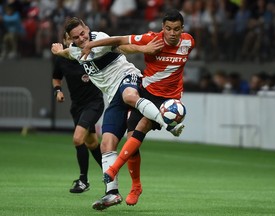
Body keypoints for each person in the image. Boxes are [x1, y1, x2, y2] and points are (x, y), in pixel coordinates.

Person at [51, 17, 183, 211]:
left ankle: (169, 123)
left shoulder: (100, 39)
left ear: (87, 29)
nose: (82, 38)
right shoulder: (75, 50)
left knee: (130, 96)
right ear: (70, 39)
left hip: (128, 78)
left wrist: (144, 49)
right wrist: (58, 51)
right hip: (113, 96)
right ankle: (112, 193)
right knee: (106, 144)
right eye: (76, 37)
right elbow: (68, 53)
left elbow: (122, 46)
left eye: (83, 33)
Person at [81, 9, 195, 208]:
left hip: (168, 101)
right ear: (162, 28)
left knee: (142, 126)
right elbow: (118, 40)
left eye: (177, 29)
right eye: (168, 28)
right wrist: (91, 44)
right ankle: (136, 186)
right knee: (131, 138)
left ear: (182, 29)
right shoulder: (151, 39)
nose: (172, 33)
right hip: (147, 93)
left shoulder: (189, 42)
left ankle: (114, 169)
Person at [52, 32, 104, 193]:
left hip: (94, 103)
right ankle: (110, 171)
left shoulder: (88, 54)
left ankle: (83, 180)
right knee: (92, 143)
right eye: (70, 39)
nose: (73, 42)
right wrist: (58, 91)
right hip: (77, 106)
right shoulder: (61, 59)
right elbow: (56, 77)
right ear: (65, 41)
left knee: (77, 139)